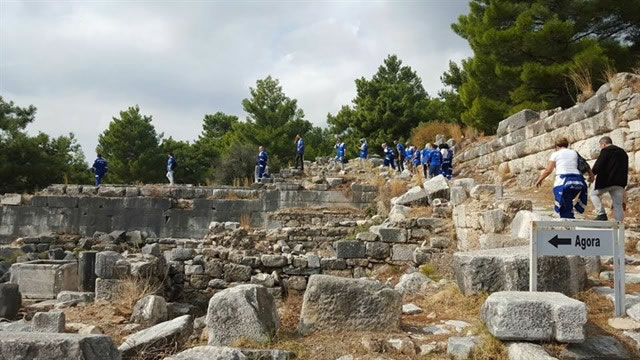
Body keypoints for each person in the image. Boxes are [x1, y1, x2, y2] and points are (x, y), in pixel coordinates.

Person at [534, 137, 593, 219]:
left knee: (563, 203)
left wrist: (540, 179)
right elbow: (585, 165)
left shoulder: (555, 154)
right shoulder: (574, 152)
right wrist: (592, 176)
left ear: (556, 146)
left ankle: (566, 223)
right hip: (578, 182)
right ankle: (570, 217)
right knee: (567, 202)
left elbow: (548, 170)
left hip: (564, 181)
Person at [591, 136, 629, 221]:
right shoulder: (623, 152)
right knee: (618, 204)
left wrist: (592, 174)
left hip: (607, 181)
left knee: (593, 194)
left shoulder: (605, 151)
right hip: (620, 182)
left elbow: (599, 164)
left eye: (600, 145)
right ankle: (620, 225)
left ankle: (601, 214)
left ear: (603, 144)